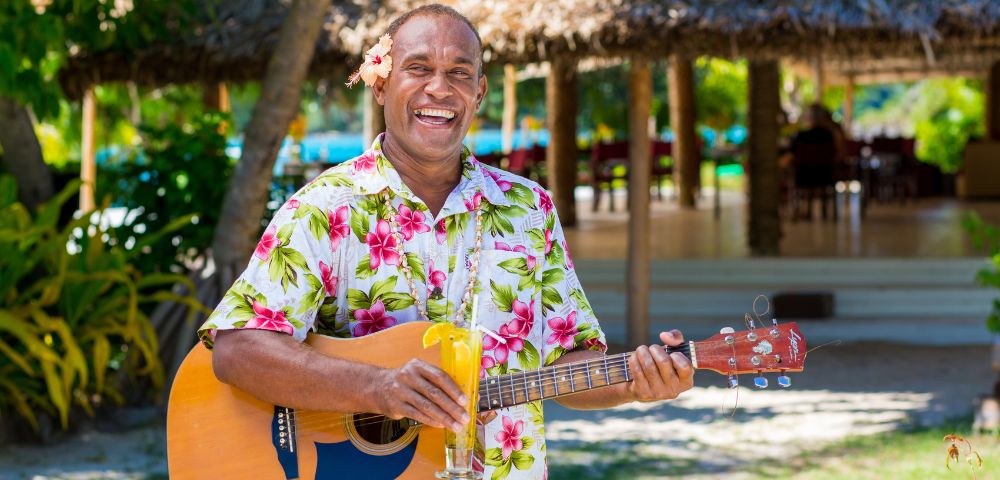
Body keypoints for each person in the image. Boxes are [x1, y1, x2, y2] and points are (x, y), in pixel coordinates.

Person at [200, 5, 694, 479]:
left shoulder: (528, 208)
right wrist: (376, 389)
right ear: (380, 82)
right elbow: (238, 349)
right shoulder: (325, 208)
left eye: (460, 73)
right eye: (418, 68)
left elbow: (566, 365)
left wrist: (636, 380)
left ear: (479, 93)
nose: (440, 88)